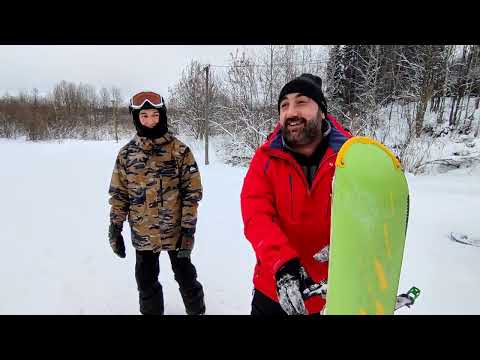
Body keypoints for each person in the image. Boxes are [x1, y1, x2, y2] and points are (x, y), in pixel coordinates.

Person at [240, 74, 352, 315]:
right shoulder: (265, 158)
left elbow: (374, 212)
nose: (291, 112)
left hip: (334, 292)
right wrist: (283, 264)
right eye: (284, 105)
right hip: (274, 286)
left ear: (322, 110)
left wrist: (354, 243)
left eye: (301, 102)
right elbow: (256, 215)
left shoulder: (352, 157)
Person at [108, 91, 205, 315]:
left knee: (185, 276)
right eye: (144, 116)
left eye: (154, 115)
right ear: (136, 118)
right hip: (143, 233)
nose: (151, 121)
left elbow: (192, 192)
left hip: (176, 232)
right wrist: (115, 227)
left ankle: (197, 311)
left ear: (162, 115)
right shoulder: (126, 155)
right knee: (146, 281)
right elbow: (120, 195)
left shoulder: (179, 151)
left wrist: (188, 229)